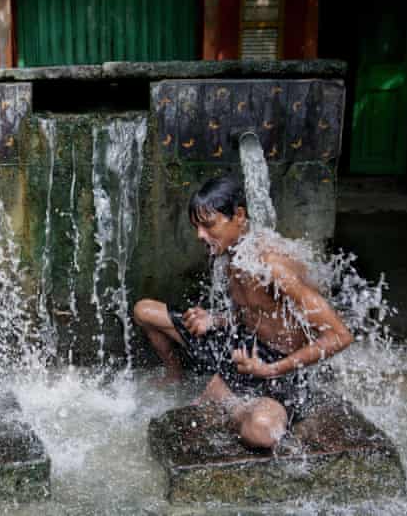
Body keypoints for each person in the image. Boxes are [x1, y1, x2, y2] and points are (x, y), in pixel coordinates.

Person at [133, 176, 353, 449]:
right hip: (244, 348)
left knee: (260, 432)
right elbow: (255, 314)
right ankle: (181, 377)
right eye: (196, 227)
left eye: (208, 225)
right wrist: (214, 319)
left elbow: (340, 336)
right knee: (144, 311)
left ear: (238, 215)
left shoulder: (273, 265)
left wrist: (271, 369)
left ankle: (233, 405)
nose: (200, 235)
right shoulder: (232, 253)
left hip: (281, 368)